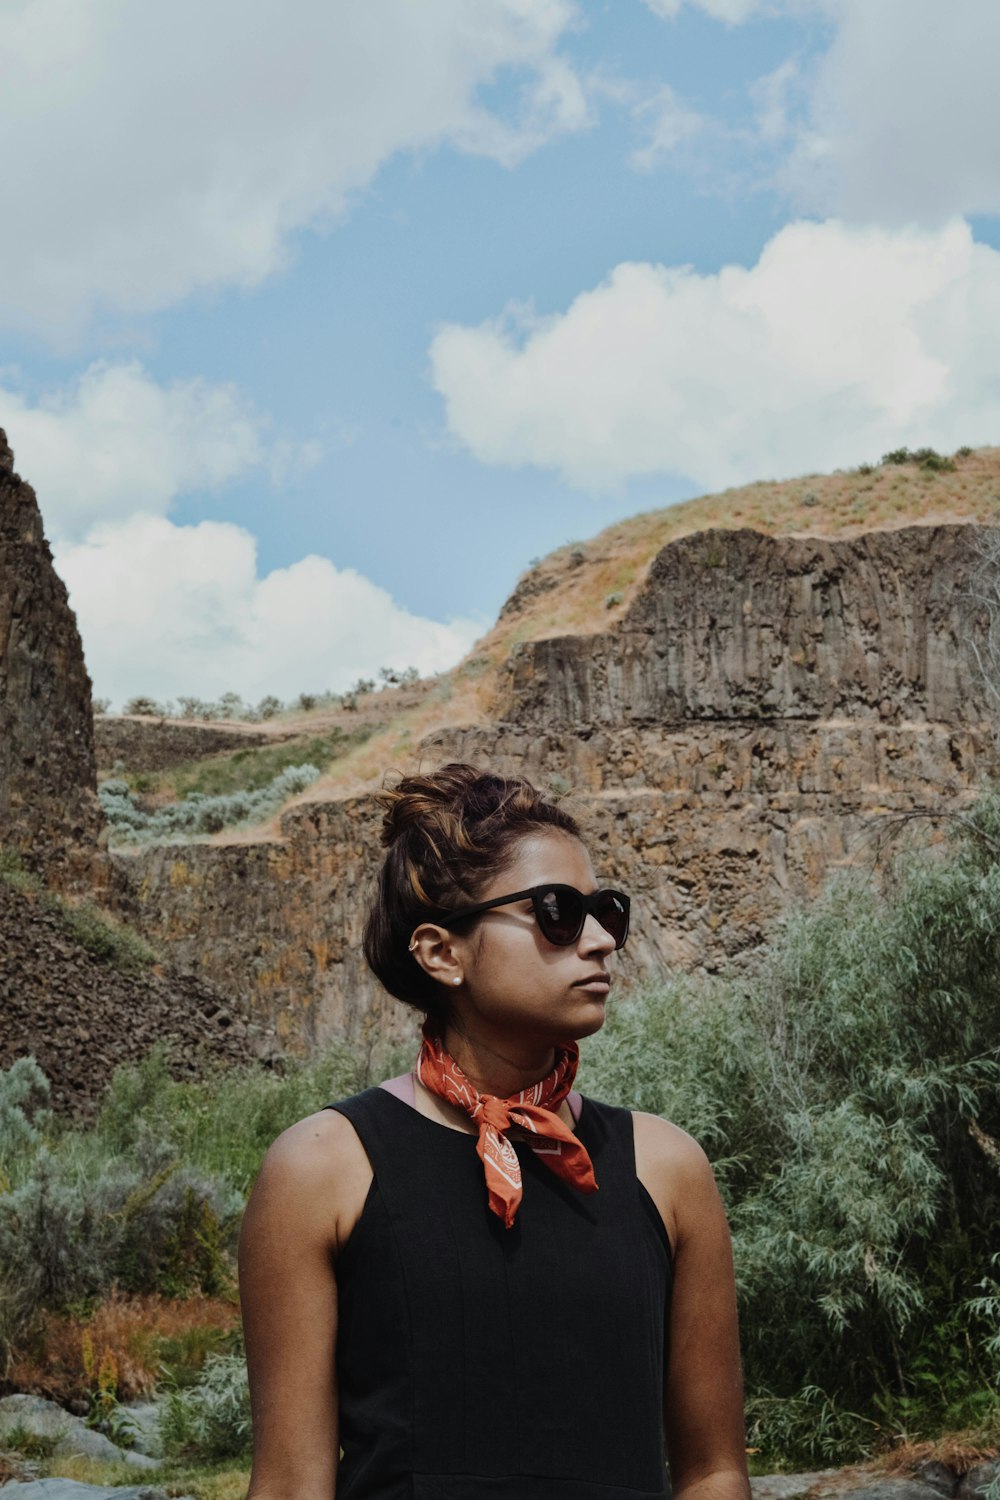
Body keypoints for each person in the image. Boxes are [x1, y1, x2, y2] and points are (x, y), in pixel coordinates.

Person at [238, 763, 750, 1500]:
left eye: (607, 909)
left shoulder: (666, 1171)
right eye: (557, 911)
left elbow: (714, 1472)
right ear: (441, 952)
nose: (603, 939)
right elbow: (290, 1487)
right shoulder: (322, 1170)